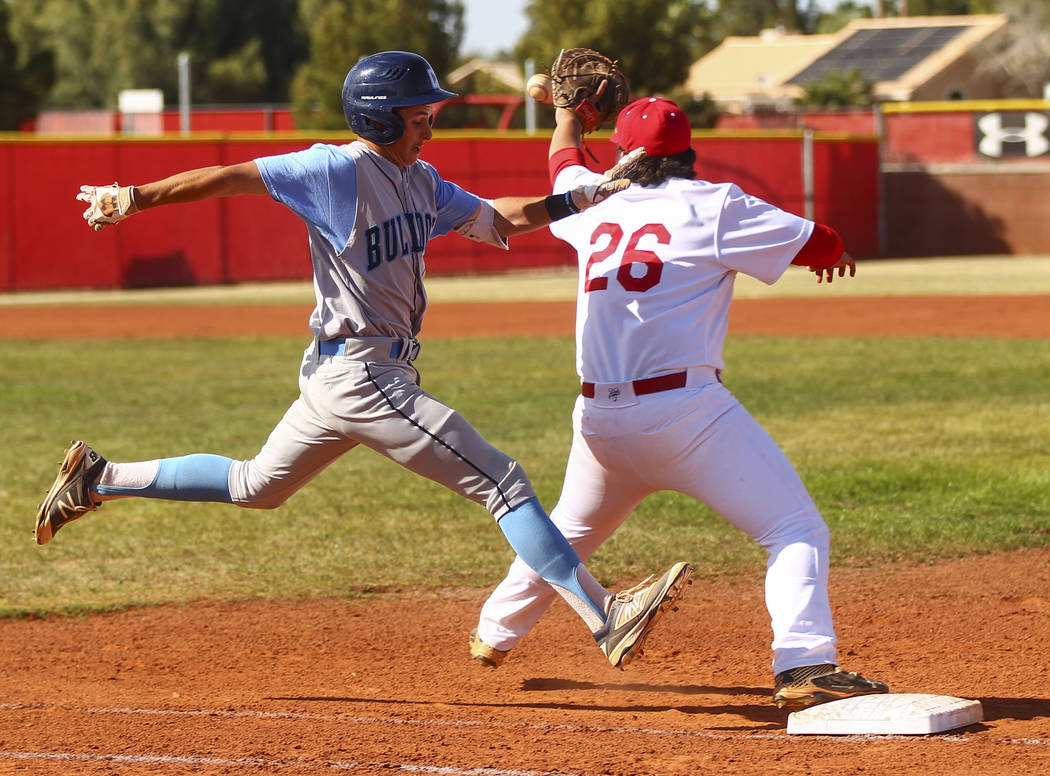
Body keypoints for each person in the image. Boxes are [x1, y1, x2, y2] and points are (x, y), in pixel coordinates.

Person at [34, 52, 693, 670]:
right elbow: (232, 176)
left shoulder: (420, 179)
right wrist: (136, 197)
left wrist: (588, 194)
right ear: (379, 117)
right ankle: (606, 616)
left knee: (256, 486)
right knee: (503, 483)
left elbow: (499, 219)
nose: (430, 125)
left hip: (337, 378)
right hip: (362, 374)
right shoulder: (335, 170)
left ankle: (98, 478)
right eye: (419, 116)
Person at [468, 95, 889, 710]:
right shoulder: (715, 203)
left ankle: (495, 632)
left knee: (571, 531)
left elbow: (562, 166)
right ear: (689, 153)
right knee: (794, 528)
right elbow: (822, 241)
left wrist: (567, 120)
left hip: (599, 419)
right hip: (686, 414)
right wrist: (832, 256)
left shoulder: (592, 201)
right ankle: (804, 663)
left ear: (623, 157)